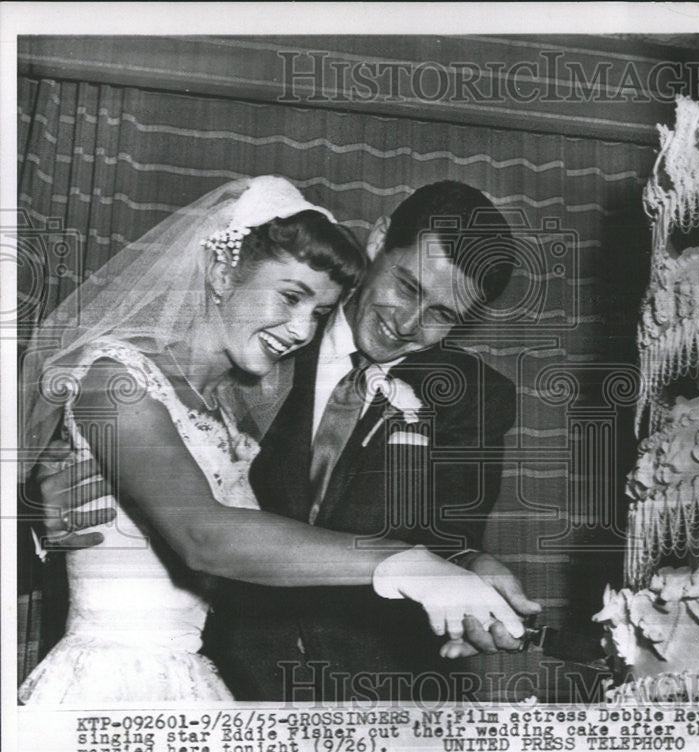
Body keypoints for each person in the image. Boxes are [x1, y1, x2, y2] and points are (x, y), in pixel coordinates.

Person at [19, 176, 529, 703]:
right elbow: (201, 532)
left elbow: (448, 530)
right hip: (209, 672)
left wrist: (467, 566)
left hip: (360, 688)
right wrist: (39, 519)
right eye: (406, 287)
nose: (409, 324)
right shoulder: (230, 363)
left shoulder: (227, 389)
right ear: (379, 241)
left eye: (442, 315)